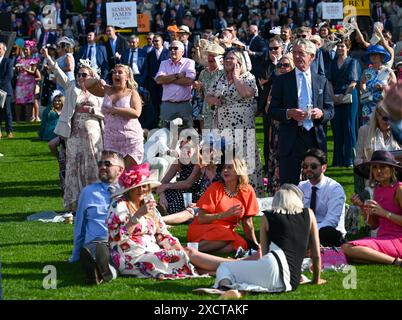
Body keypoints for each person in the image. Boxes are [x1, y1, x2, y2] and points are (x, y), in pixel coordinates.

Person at [188, 184, 325, 298]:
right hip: (291, 280)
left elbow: (264, 254)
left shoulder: (268, 217)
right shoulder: (309, 214)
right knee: (260, 280)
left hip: (272, 263)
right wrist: (316, 279)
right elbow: (316, 253)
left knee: (225, 267)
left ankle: (224, 287)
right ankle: (239, 291)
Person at [106, 163, 199, 278]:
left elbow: (162, 233)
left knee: (187, 252)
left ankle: (223, 267)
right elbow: (117, 238)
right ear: (130, 189)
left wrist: (176, 246)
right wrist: (137, 216)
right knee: (185, 256)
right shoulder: (119, 205)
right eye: (137, 186)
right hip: (130, 257)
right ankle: (223, 267)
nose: (141, 190)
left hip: (152, 252)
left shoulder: (149, 205)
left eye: (144, 186)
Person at [42, 47, 104, 213]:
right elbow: (58, 72)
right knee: (74, 166)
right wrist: (48, 57)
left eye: (84, 75)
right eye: (79, 74)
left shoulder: (99, 92)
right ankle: (75, 204)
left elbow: (106, 111)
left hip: (93, 131)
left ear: (91, 77)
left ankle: (95, 201)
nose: (80, 77)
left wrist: (93, 111)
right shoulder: (71, 88)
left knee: (93, 164)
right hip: (75, 132)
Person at [269, 38, 334, 185]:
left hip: (314, 137)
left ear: (311, 56)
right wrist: (289, 113)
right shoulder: (282, 80)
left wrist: (321, 114)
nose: (297, 56)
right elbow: (272, 110)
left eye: (301, 53)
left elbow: (330, 110)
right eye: (295, 53)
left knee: (317, 183)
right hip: (291, 137)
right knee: (289, 184)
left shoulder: (321, 81)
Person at [205, 48, 264, 196]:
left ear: (239, 61)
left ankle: (248, 193)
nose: (227, 61)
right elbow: (208, 97)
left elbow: (246, 93)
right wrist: (216, 100)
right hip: (222, 124)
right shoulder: (219, 77)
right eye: (226, 59)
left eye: (231, 58)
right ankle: (226, 192)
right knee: (225, 157)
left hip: (242, 126)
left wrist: (236, 77)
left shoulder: (248, 77)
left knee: (243, 157)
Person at [70, 150, 125, 285]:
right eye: (100, 164)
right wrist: (75, 255)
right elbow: (80, 226)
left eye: (107, 164)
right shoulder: (88, 192)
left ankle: (100, 271)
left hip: (123, 240)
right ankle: (101, 264)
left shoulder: (129, 190)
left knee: (120, 252)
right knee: (98, 249)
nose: (102, 167)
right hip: (97, 241)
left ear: (120, 170)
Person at [187, 157, 259, 254]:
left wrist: (255, 244)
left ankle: (203, 249)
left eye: (230, 167)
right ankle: (187, 250)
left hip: (225, 235)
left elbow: (248, 222)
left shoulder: (247, 190)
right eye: (224, 167)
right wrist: (224, 214)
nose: (225, 170)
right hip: (203, 229)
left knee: (242, 244)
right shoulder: (215, 188)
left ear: (239, 170)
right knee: (227, 234)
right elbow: (201, 218)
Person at [343, 150, 402, 267]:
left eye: (382, 167)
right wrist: (363, 208)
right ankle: (388, 259)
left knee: (347, 248)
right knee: (347, 255)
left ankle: (396, 262)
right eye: (374, 167)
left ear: (392, 169)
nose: (378, 171)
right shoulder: (378, 190)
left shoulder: (399, 189)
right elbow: (374, 225)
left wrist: (385, 213)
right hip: (383, 238)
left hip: (398, 239)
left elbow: (384, 215)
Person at [85, 64, 144, 169]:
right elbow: (87, 85)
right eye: (114, 72)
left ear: (127, 77)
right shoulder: (107, 90)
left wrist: (115, 110)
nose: (116, 74)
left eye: (120, 72)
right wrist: (97, 81)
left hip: (130, 139)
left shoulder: (132, 93)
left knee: (129, 174)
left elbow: (136, 113)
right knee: (113, 172)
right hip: (111, 139)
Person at [298, 148, 347, 247]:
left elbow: (331, 221)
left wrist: (308, 231)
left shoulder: (334, 189)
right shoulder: (301, 186)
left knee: (327, 232)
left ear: (324, 168)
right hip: (306, 230)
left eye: (313, 166)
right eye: (305, 166)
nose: (308, 169)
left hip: (327, 232)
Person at [328, 38, 361, 167]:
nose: (340, 48)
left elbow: (353, 82)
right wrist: (333, 96)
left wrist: (343, 95)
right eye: (338, 46)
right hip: (335, 96)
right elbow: (329, 80)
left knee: (349, 127)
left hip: (349, 97)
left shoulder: (353, 62)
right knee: (336, 128)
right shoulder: (332, 63)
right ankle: (337, 160)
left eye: (342, 46)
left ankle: (351, 159)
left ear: (348, 47)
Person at [266, 54, 295, 196]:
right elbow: (267, 109)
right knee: (275, 159)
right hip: (276, 128)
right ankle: (276, 194)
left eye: (286, 65)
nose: (283, 68)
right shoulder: (275, 84)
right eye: (280, 65)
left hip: (292, 129)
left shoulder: (296, 84)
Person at [156, 137, 203, 215]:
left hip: (193, 194)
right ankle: (162, 208)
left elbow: (188, 184)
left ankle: (166, 212)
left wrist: (167, 186)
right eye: (182, 148)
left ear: (195, 149)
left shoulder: (198, 164)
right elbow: (162, 183)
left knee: (179, 195)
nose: (185, 151)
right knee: (168, 193)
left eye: (188, 148)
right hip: (180, 189)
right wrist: (162, 196)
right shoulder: (178, 162)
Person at [155, 40, 196, 128]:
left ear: (182, 52)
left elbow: (189, 81)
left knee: (187, 135)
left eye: (175, 48)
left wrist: (168, 79)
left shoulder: (189, 62)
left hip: (184, 105)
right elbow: (158, 80)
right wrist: (178, 75)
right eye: (170, 48)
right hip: (168, 105)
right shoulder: (164, 63)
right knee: (166, 134)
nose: (172, 50)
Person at [360, 45, 397, 124]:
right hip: (368, 104)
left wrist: (383, 87)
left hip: (383, 105)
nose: (373, 56)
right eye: (371, 54)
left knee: (383, 127)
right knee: (368, 128)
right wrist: (364, 90)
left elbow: (395, 87)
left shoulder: (388, 70)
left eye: (376, 54)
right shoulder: (366, 71)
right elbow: (362, 82)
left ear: (381, 56)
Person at [193, 43, 224, 130]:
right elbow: (200, 96)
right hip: (207, 111)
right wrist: (198, 88)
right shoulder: (203, 73)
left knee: (221, 140)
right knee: (208, 140)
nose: (210, 58)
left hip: (222, 110)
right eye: (209, 55)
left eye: (213, 56)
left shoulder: (224, 73)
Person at [144, 34, 170, 130]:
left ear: (162, 42)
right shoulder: (150, 54)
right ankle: (155, 124)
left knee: (164, 103)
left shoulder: (168, 53)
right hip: (153, 83)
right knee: (154, 104)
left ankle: (164, 123)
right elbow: (148, 68)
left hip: (166, 83)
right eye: (153, 41)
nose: (155, 42)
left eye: (157, 41)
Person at [14, 40, 41, 122]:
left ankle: (28, 119)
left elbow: (34, 72)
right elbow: (17, 72)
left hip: (30, 84)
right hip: (20, 83)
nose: (25, 51)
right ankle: (18, 119)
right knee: (18, 102)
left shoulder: (34, 60)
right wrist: (17, 69)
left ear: (31, 50)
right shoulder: (20, 60)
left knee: (29, 102)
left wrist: (24, 69)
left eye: (27, 49)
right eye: (24, 49)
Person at [0, 42, 13, 139]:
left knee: (7, 111)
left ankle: (9, 131)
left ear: (4, 50)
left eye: (0, 48)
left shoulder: (8, 61)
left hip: (5, 90)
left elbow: (9, 76)